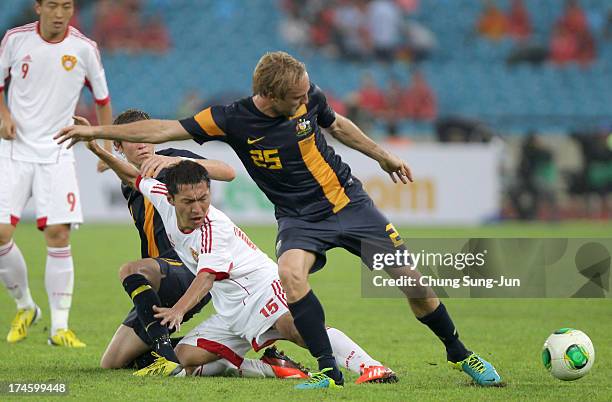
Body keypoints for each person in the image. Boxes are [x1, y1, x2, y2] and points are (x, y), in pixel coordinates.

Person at [55, 51, 502, 388]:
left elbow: (339, 126)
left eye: (307, 93)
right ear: (270, 96)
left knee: (412, 284)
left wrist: (382, 154)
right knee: (290, 273)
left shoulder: (309, 99)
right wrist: (96, 132)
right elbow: (160, 129)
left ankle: (460, 354)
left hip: (349, 204)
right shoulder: (231, 118)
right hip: (297, 218)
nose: (306, 100)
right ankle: (329, 370)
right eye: (297, 97)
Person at [89, 150, 398, 385]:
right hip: (232, 310)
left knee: (294, 326)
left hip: (262, 288)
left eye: (204, 197)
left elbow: (206, 277)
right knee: (185, 361)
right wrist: (98, 150)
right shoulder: (161, 198)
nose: (198, 207)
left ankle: (370, 366)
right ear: (169, 198)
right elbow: (133, 177)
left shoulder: (213, 227)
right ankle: (267, 366)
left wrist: (178, 310)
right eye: (189, 202)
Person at [0, 0, 113, 347]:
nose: (60, 13)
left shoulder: (84, 48)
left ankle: (59, 328)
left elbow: (103, 100)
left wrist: (105, 147)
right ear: (38, 7)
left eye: (66, 6)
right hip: (15, 149)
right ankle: (26, 306)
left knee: (58, 235)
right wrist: (4, 114)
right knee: (1, 233)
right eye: (53, 5)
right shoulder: (15, 40)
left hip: (59, 151)